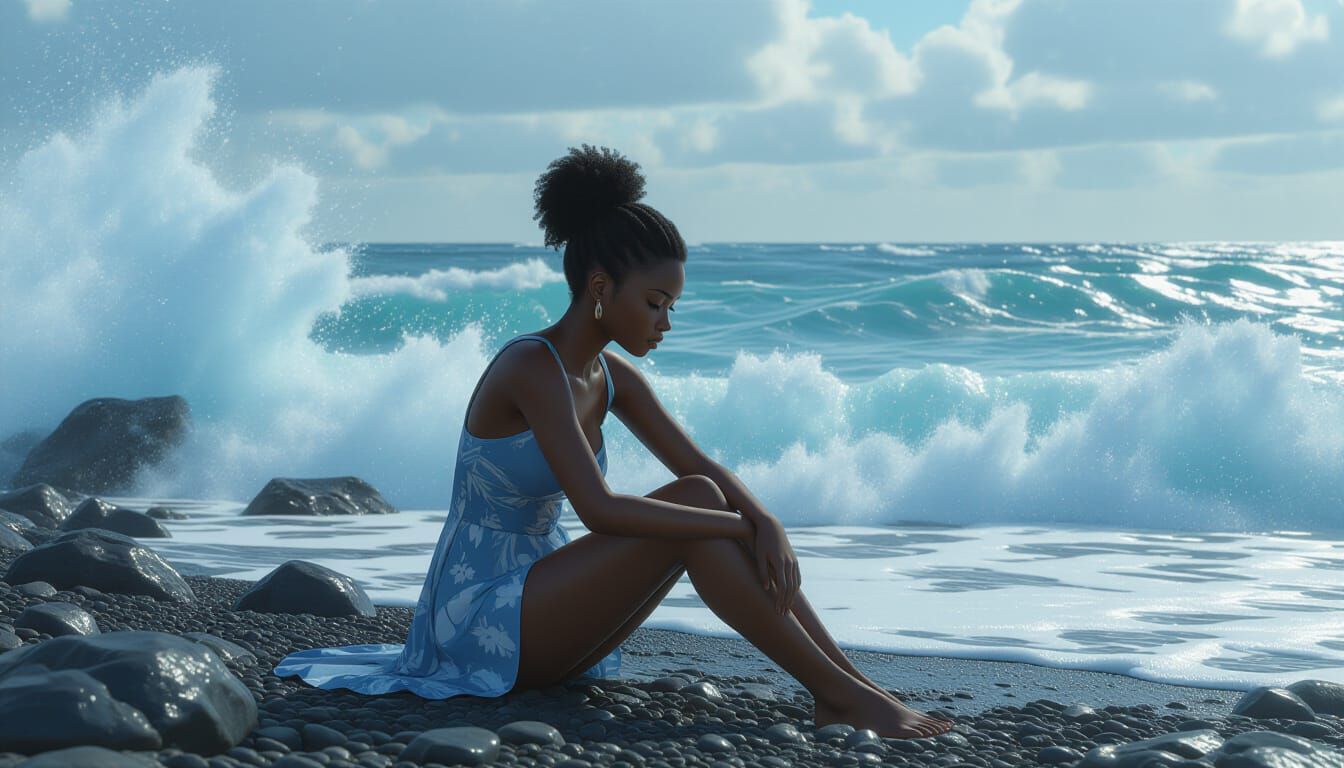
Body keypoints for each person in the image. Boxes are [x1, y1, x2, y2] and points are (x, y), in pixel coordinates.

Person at [274, 145, 954, 739]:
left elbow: (697, 466)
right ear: (601, 288)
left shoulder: (608, 374)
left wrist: (765, 519)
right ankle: (837, 695)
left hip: (544, 601)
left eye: (672, 307)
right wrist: (737, 528)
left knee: (703, 496)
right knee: (705, 520)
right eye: (655, 302)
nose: (665, 321)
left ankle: (849, 683)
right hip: (478, 618)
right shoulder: (531, 368)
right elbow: (598, 509)